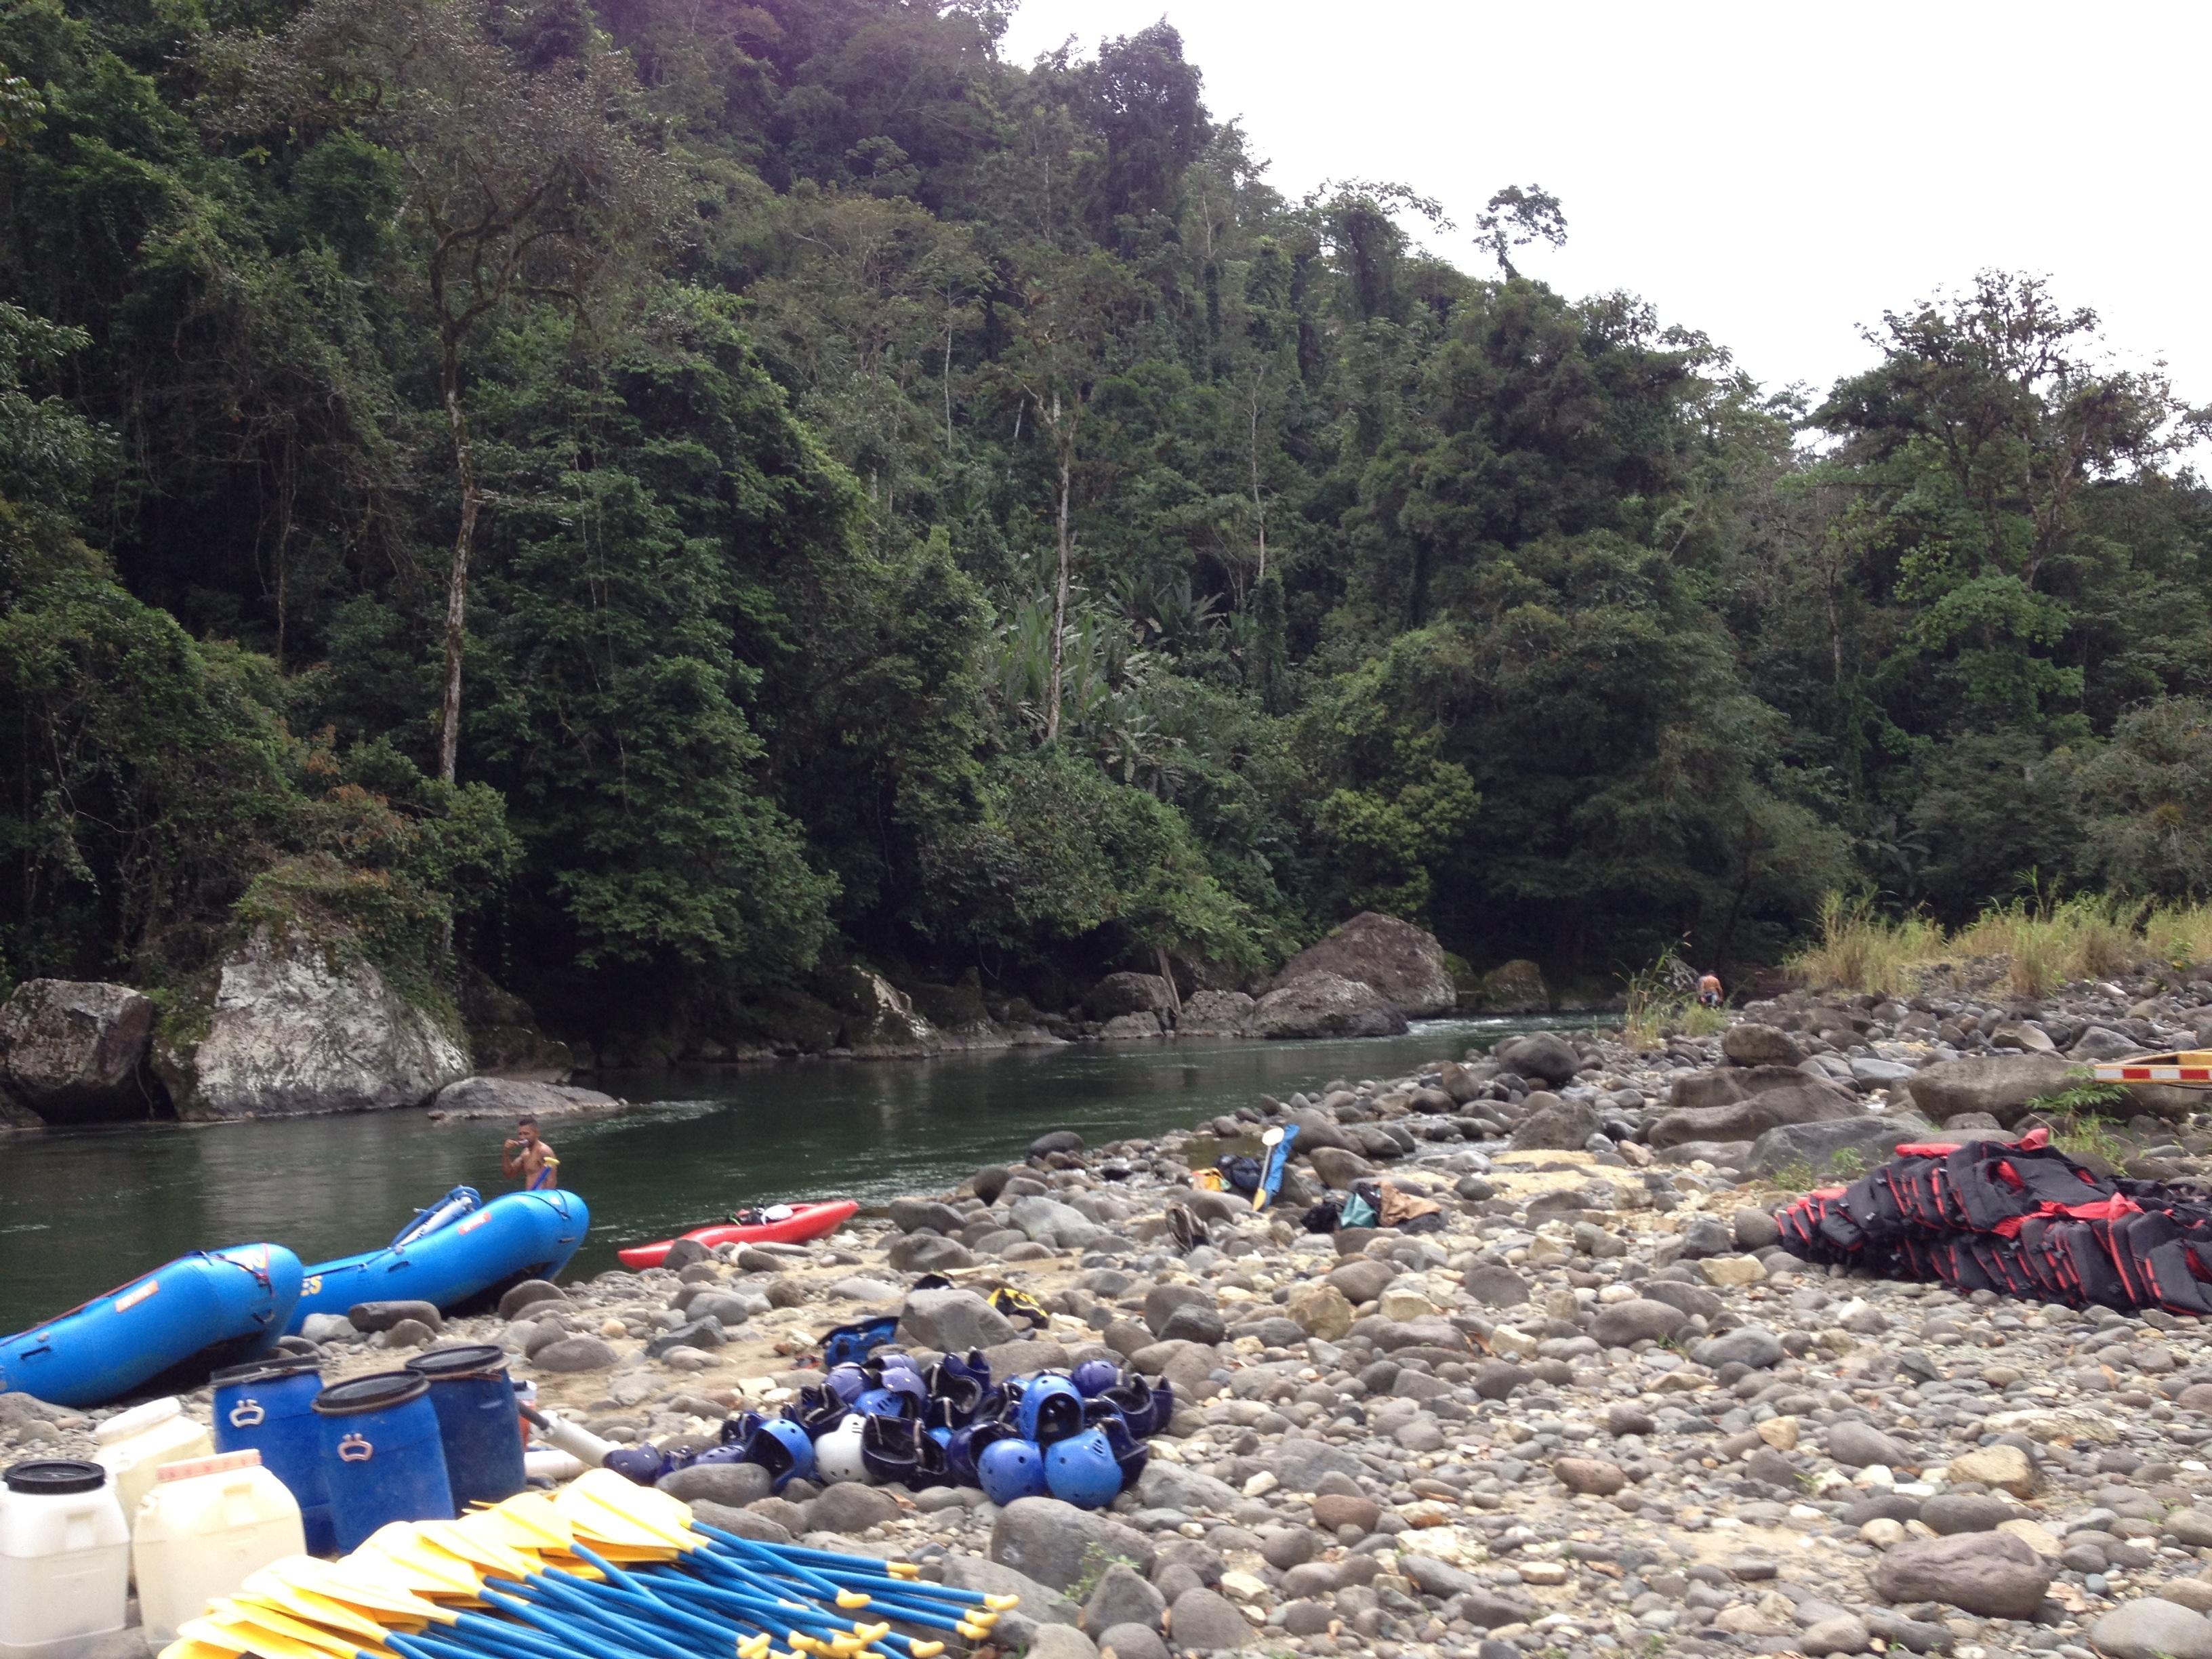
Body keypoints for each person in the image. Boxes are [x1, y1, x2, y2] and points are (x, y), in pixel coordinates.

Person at [502, 1116, 560, 1191]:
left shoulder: (543, 1151)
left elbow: (551, 1180)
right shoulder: (525, 1153)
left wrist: (543, 1200)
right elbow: (509, 1174)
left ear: (537, 1133)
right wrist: (506, 1153)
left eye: (526, 1134)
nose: (522, 1137)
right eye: (520, 1134)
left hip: (541, 1197)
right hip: (530, 1195)